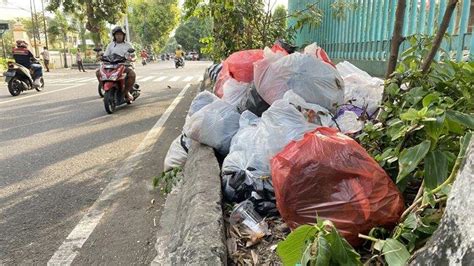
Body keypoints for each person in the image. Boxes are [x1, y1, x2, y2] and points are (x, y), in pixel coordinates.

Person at [96, 26, 136, 102]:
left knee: (132, 74)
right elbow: (106, 55)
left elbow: (133, 56)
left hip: (124, 65)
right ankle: (105, 89)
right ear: (114, 36)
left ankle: (126, 92)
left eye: (120, 34)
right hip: (111, 66)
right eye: (117, 34)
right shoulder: (110, 45)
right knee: (98, 72)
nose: (118, 36)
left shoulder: (128, 45)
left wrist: (131, 58)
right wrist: (101, 57)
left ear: (123, 36)